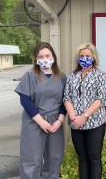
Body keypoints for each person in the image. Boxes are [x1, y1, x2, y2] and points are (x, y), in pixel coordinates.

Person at [14, 42, 67, 179]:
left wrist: (59, 121)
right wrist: (41, 122)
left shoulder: (61, 77)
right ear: (36, 59)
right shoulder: (30, 76)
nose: (45, 59)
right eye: (41, 56)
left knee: (54, 159)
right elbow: (25, 100)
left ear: (53, 56)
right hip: (34, 122)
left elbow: (65, 102)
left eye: (47, 55)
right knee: (31, 161)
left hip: (55, 123)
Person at [64, 43, 106, 179]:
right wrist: (73, 116)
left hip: (95, 123)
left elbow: (100, 100)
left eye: (88, 56)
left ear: (93, 57)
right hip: (76, 124)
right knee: (82, 158)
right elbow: (67, 97)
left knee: (94, 157)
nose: (84, 58)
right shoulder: (73, 76)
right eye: (82, 56)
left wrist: (84, 116)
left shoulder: (100, 76)